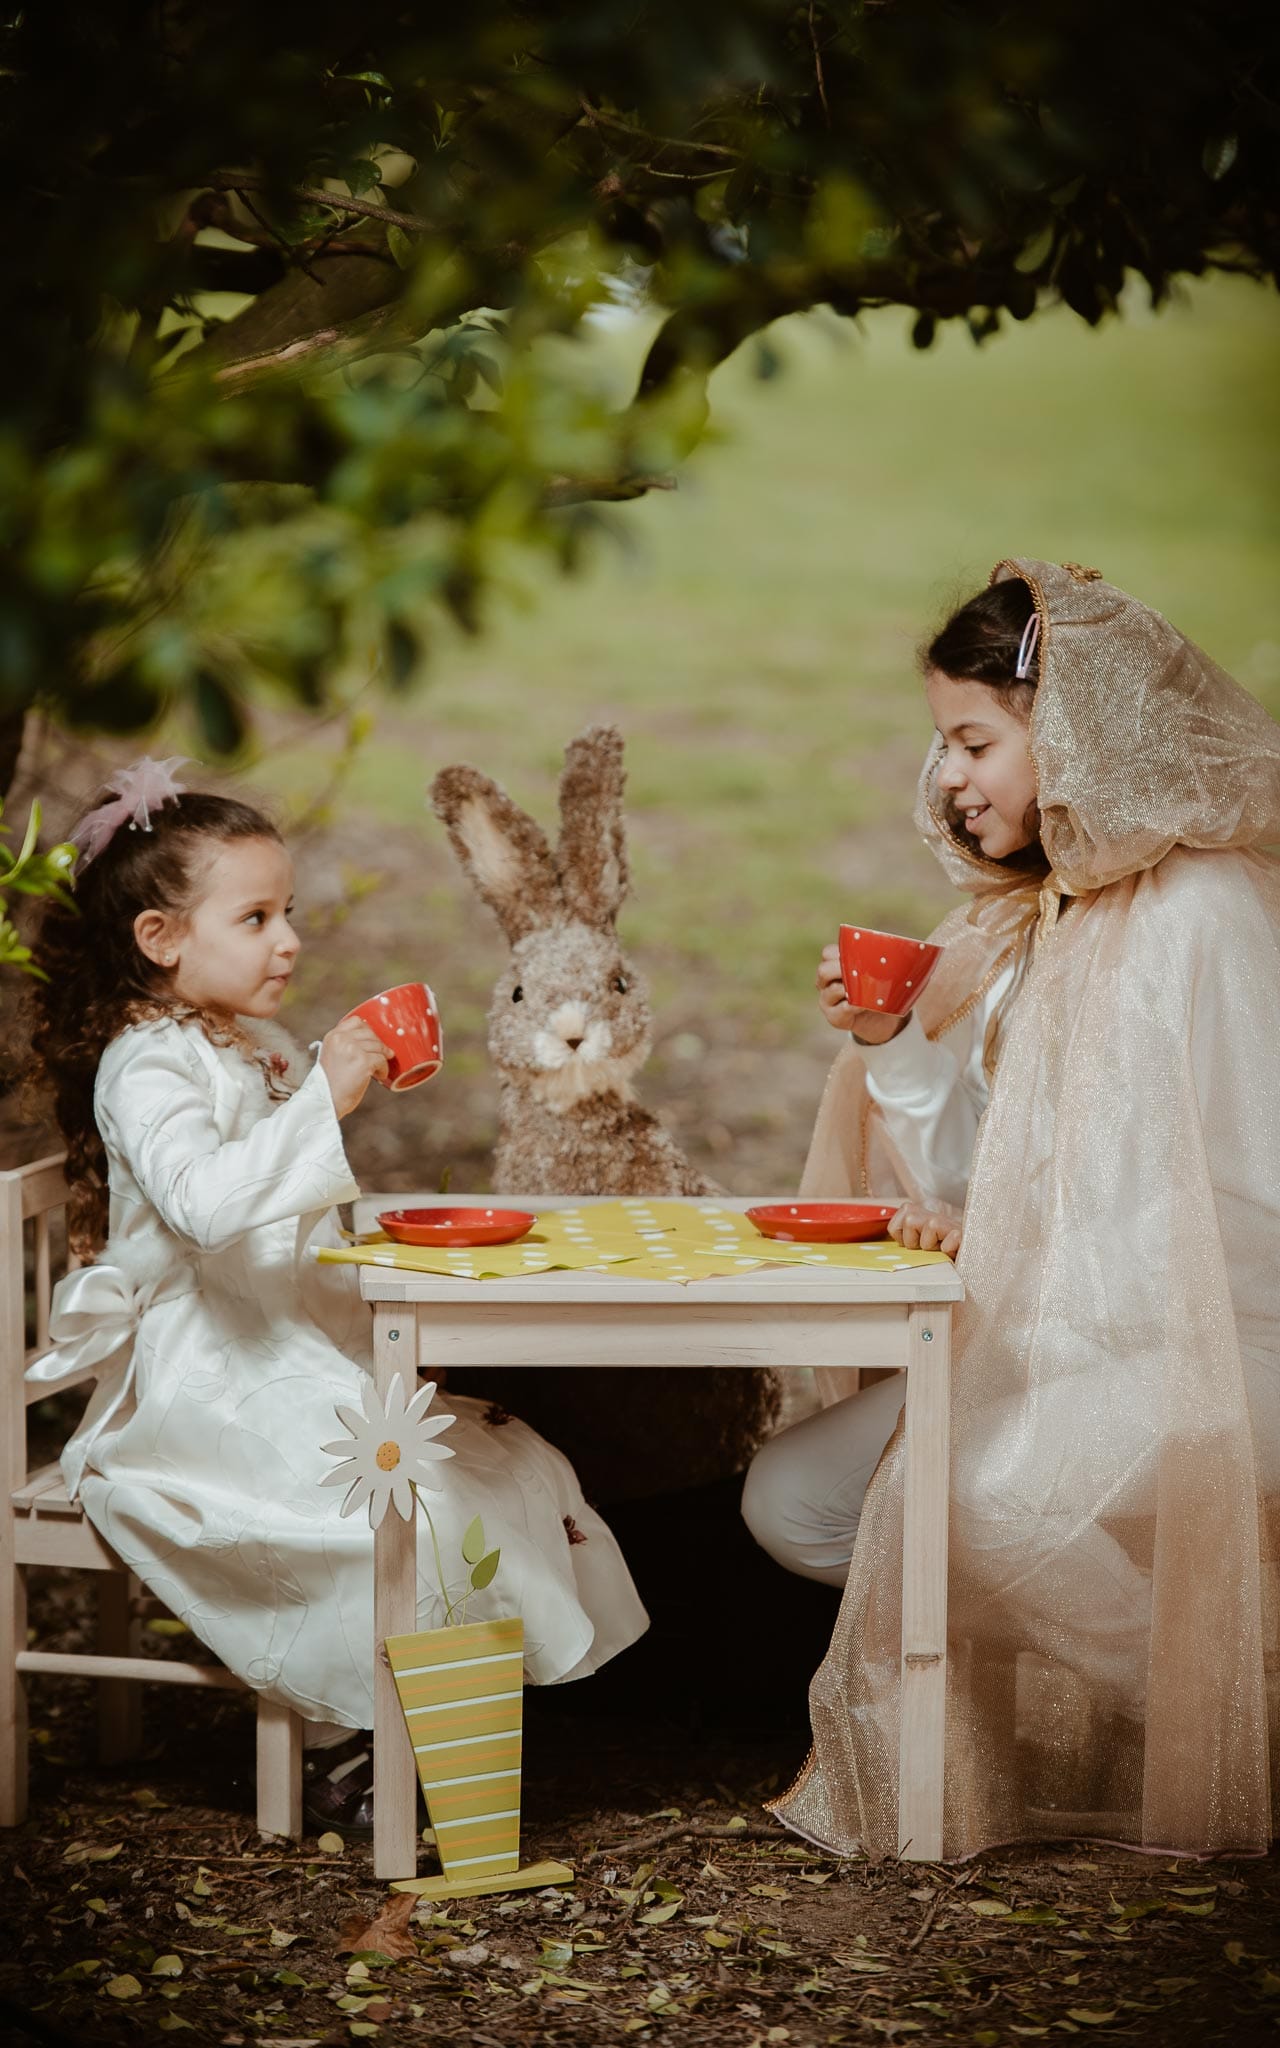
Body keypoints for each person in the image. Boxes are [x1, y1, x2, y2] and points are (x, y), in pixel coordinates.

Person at [753, 560, 1280, 1857]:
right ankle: (1153, 1693)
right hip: (1050, 1327)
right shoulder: (1030, 916)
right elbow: (999, 1160)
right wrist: (896, 1045)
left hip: (1207, 1335)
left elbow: (1251, 1192)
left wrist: (1046, 1272)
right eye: (943, 745)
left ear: (1076, 727)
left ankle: (1215, 1715)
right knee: (800, 1498)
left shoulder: (1206, 910)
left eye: (976, 741)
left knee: (980, 1509)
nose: (950, 779)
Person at [24, 761, 647, 1829]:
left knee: (500, 1458)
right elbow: (211, 1206)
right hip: (202, 1373)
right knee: (405, 1499)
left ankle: (422, 1747)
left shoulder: (255, 1044)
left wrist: (385, 1332)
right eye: (256, 916)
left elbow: (300, 1230)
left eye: (290, 912)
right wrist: (324, 1094)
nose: (288, 940)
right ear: (161, 939)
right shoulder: (145, 1067)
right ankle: (350, 1743)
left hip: (287, 1341)